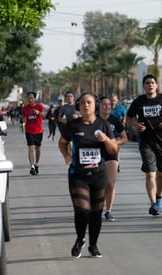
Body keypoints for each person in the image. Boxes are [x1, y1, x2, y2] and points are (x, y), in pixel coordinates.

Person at [58, 92, 117, 258]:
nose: (86, 105)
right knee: (82, 210)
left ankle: (93, 245)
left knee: (96, 212)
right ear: (79, 106)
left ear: (94, 105)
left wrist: (105, 139)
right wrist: (66, 156)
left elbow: (113, 149)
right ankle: (80, 238)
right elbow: (62, 143)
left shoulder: (103, 124)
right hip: (78, 175)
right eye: (83, 103)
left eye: (89, 102)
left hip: (99, 175)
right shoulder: (73, 125)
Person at [126, 74, 162, 216]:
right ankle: (153, 204)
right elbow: (128, 118)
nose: (150, 85)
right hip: (146, 142)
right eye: (147, 83)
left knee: (161, 173)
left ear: (157, 85)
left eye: (152, 82)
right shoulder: (139, 101)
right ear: (143, 86)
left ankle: (159, 198)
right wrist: (135, 126)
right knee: (150, 174)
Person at [99, 96, 128, 221]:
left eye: (109, 105)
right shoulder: (92, 120)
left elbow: (124, 138)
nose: (107, 107)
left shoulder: (114, 120)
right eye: (104, 104)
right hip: (96, 153)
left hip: (111, 152)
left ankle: (108, 211)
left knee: (111, 183)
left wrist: (115, 142)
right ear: (99, 106)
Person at [22, 91, 45, 175]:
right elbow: (24, 117)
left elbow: (43, 116)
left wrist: (38, 113)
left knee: (37, 148)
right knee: (30, 149)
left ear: (35, 98)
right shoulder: (25, 108)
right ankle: (32, 167)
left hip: (38, 131)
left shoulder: (39, 106)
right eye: (29, 98)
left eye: (32, 98)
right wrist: (23, 123)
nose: (30, 99)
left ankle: (36, 164)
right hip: (29, 131)